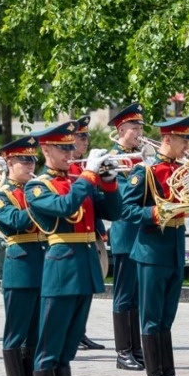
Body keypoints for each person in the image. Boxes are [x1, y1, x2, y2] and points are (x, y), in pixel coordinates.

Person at [26, 121, 122, 376]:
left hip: (84, 269)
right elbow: (65, 208)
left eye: (72, 147)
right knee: (48, 351)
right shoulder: (36, 187)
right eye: (63, 148)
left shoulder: (80, 181)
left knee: (66, 353)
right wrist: (91, 177)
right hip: (60, 271)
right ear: (46, 150)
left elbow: (114, 211)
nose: (71, 153)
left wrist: (108, 182)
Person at [120, 116, 189, 376]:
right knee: (152, 318)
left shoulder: (184, 170)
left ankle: (169, 375)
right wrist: (157, 213)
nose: (188, 145)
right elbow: (127, 210)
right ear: (167, 139)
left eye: (188, 139)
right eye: (183, 139)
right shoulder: (146, 172)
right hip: (151, 251)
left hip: (175, 247)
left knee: (167, 318)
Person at [0, 136, 44, 376]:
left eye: (33, 159)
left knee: (34, 335)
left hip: (43, 267)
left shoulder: (35, 190)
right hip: (20, 267)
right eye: (24, 159)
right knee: (16, 334)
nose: (30, 164)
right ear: (10, 162)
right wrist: (41, 201)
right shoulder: (2, 195)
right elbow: (15, 223)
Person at [107, 103, 147, 370]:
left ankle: (136, 348)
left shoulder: (141, 157)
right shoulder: (113, 160)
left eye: (141, 127)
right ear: (121, 129)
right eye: (134, 127)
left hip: (142, 233)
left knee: (138, 295)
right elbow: (121, 197)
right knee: (124, 294)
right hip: (125, 232)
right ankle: (123, 351)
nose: (139, 132)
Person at [67, 115, 107, 351]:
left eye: (86, 136)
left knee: (87, 290)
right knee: (74, 291)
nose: (86, 141)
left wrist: (100, 231)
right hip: (71, 240)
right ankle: (74, 332)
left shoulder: (83, 167)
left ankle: (80, 331)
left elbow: (94, 204)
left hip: (89, 235)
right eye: (82, 136)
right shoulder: (70, 171)